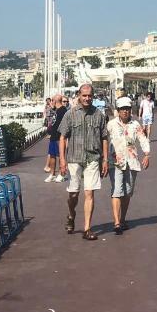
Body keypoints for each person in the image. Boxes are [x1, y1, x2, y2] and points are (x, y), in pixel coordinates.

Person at [58, 84, 109, 241]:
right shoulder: (70, 114)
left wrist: (105, 159)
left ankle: (87, 229)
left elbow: (104, 137)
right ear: (79, 95)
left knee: (89, 193)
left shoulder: (99, 115)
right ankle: (71, 214)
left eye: (90, 96)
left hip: (93, 158)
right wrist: (62, 160)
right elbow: (62, 137)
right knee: (73, 194)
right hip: (74, 158)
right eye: (84, 95)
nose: (87, 98)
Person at [107, 97, 151, 234]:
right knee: (116, 191)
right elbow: (102, 140)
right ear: (118, 111)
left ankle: (123, 218)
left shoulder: (135, 125)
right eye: (122, 109)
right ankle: (116, 222)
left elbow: (143, 139)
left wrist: (147, 154)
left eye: (127, 109)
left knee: (127, 192)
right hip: (115, 162)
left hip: (131, 162)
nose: (125, 111)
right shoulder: (111, 124)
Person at [44, 94, 68, 183]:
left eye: (52, 101)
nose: (51, 102)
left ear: (54, 101)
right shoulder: (57, 110)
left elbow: (64, 125)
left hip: (59, 138)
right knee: (52, 155)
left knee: (60, 156)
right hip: (53, 137)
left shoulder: (63, 111)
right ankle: (52, 174)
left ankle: (61, 174)